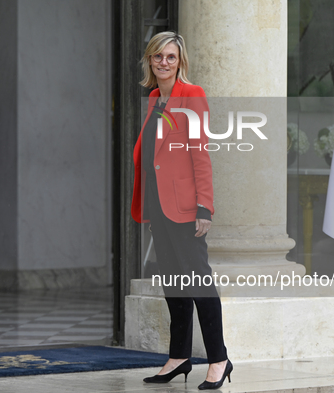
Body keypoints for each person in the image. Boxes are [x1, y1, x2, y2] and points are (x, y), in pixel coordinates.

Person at [131, 32, 232, 390]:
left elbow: (199, 153)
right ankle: (179, 356)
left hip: (187, 207)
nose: (163, 63)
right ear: (149, 60)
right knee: (174, 282)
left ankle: (219, 359)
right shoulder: (156, 97)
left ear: (180, 62)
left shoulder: (193, 96)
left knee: (199, 282)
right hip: (160, 205)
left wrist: (205, 206)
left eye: (171, 57)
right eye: (158, 56)